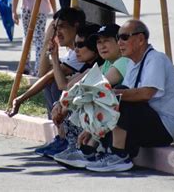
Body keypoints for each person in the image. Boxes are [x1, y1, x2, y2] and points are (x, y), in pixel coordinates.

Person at [84, 20, 174, 172]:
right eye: (118, 38)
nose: (119, 42)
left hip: (163, 127)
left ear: (141, 39)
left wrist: (109, 94)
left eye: (124, 37)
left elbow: (145, 94)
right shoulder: (132, 63)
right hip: (143, 121)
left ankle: (119, 156)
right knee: (113, 100)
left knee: (119, 94)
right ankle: (88, 151)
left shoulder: (156, 59)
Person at [6, 7, 86, 156]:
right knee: (51, 81)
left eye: (61, 27)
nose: (57, 32)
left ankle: (66, 138)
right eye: (55, 28)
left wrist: (22, 99)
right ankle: (62, 136)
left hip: (83, 106)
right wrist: (46, 42)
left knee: (54, 83)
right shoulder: (71, 52)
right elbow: (42, 72)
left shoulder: (78, 52)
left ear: (76, 26)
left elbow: (49, 77)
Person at [53, 23, 130, 168]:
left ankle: (91, 150)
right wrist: (61, 103)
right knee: (77, 97)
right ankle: (84, 149)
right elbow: (73, 85)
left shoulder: (123, 61)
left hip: (125, 119)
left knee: (90, 97)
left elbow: (98, 87)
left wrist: (63, 106)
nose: (102, 46)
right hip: (110, 119)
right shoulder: (107, 63)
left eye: (107, 41)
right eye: (99, 42)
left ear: (119, 42)